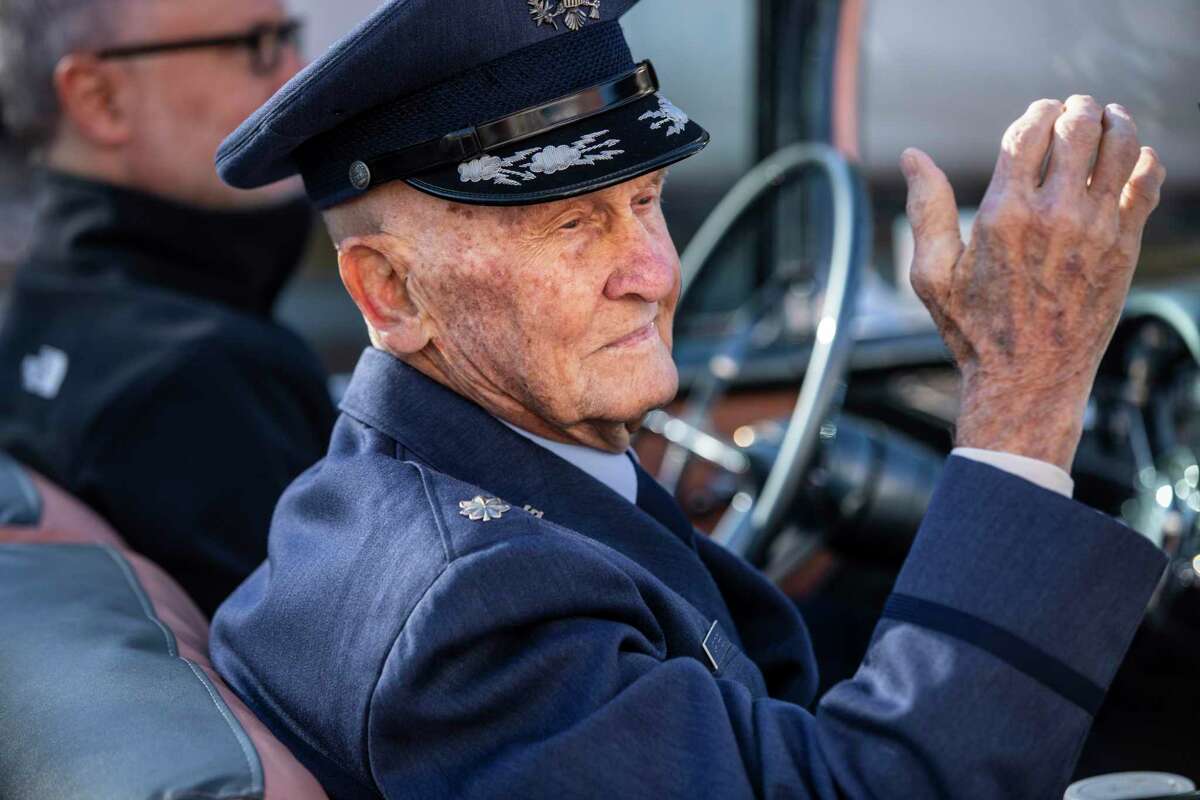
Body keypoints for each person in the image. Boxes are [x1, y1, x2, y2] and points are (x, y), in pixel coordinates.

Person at [209, 1, 1169, 797]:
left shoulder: (447, 493)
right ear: (392, 293)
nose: (654, 273)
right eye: (574, 224)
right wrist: (1024, 390)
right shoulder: (471, 618)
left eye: (646, 199)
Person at [0, 0, 336, 614]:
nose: (299, 74)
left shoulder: (41, 311)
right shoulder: (199, 380)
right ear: (100, 99)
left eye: (289, 37)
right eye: (256, 46)